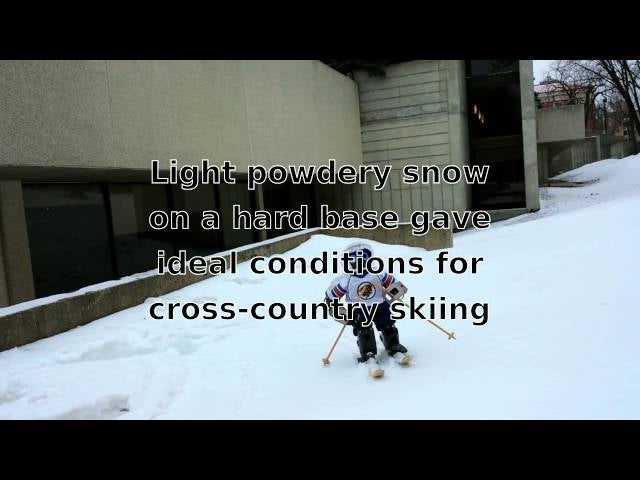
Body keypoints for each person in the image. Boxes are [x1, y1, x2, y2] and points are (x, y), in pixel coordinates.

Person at [324, 242, 409, 364]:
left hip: (381, 305)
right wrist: (334, 306)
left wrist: (395, 291)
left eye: (363, 257)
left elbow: (392, 283)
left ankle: (393, 345)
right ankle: (368, 353)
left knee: (388, 325)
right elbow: (332, 295)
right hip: (360, 309)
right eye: (353, 258)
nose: (359, 262)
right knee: (364, 330)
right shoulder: (346, 280)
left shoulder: (377, 273)